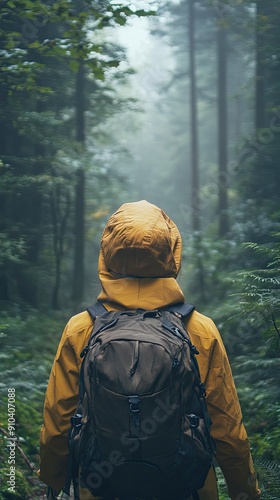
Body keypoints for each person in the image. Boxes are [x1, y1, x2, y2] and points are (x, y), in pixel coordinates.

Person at [39, 200, 261, 500]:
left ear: (107, 254)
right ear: (172, 253)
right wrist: (244, 491)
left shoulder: (81, 328)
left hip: (101, 486)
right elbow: (227, 426)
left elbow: (59, 419)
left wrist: (54, 480)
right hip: (186, 488)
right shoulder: (199, 329)